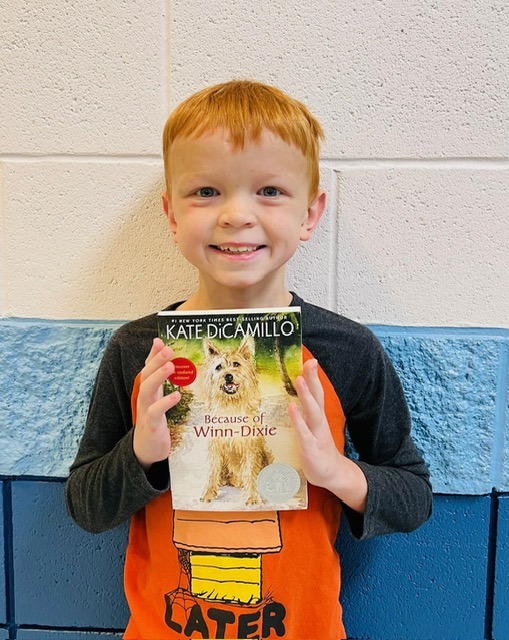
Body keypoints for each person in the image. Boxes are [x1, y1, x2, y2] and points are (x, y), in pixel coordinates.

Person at [65, 80, 432, 640]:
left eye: (269, 191)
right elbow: (87, 507)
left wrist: (337, 473)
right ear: (171, 213)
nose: (237, 215)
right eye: (206, 191)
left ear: (310, 214)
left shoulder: (347, 350)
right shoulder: (139, 351)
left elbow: (413, 496)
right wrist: (139, 456)